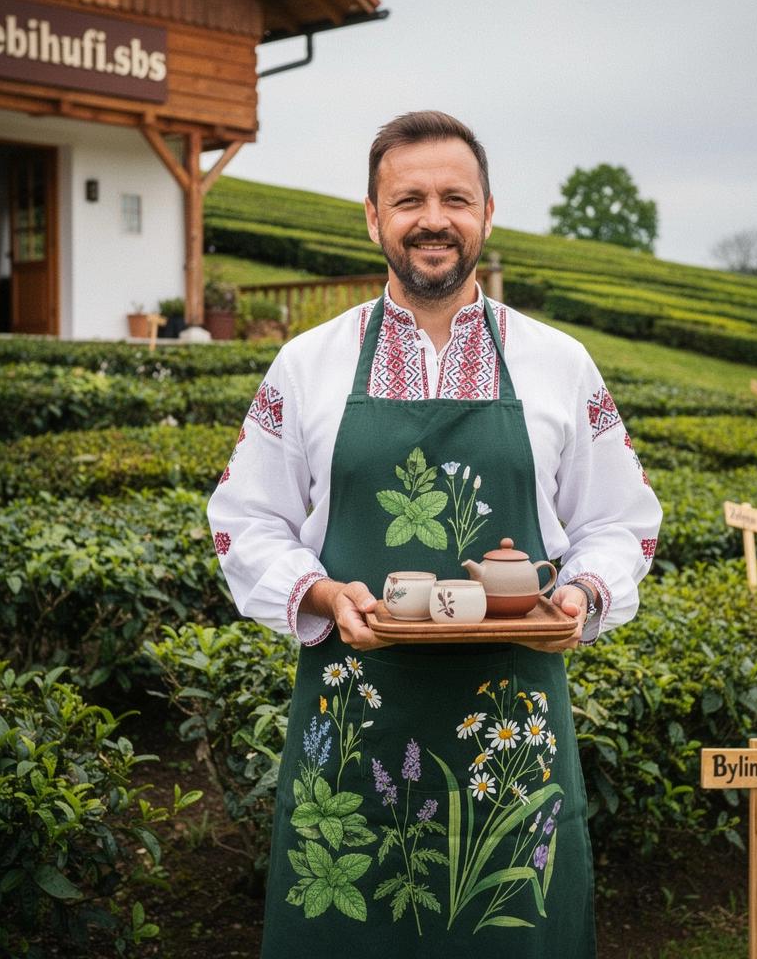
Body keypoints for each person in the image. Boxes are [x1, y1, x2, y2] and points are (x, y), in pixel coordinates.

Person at [208, 111, 661, 958]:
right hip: (353, 722)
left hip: (510, 730)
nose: (433, 219)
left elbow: (621, 519)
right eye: (408, 199)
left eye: (455, 198)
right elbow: (245, 519)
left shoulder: (560, 363)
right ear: (372, 217)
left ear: (487, 212)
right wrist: (319, 592)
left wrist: (581, 593)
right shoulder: (306, 364)